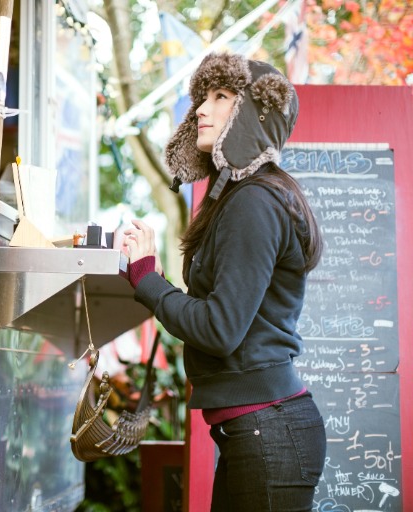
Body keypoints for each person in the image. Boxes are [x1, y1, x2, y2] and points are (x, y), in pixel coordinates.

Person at [123, 52, 326, 511]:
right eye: (202, 97)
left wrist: (148, 280)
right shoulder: (239, 197)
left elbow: (219, 328)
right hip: (256, 431)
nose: (200, 109)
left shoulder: (253, 201)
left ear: (252, 113)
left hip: (270, 433)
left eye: (221, 97)